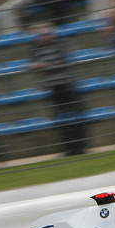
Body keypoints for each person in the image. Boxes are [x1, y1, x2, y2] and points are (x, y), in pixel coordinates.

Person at [29, 23, 87, 156]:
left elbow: (65, 62)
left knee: (74, 117)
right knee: (62, 119)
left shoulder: (61, 45)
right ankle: (69, 148)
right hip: (53, 87)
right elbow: (32, 64)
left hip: (67, 85)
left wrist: (46, 65)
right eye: (40, 35)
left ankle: (79, 147)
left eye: (45, 34)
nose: (42, 37)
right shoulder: (36, 49)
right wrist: (37, 65)